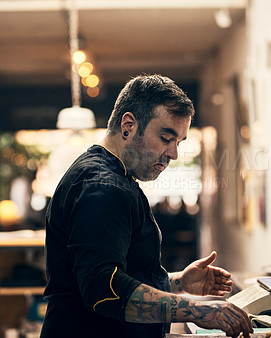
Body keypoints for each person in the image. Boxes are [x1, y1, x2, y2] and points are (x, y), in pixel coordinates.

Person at [40, 74, 253, 338]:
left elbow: (122, 271)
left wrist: (177, 282)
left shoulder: (117, 176)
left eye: (178, 142)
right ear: (128, 126)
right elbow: (104, 288)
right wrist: (199, 310)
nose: (174, 153)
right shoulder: (102, 186)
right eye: (166, 138)